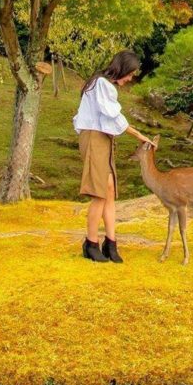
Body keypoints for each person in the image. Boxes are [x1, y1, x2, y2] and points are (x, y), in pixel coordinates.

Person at [73, 50, 152, 263]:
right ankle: (91, 244)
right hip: (94, 138)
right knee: (100, 193)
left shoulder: (104, 85)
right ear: (123, 69)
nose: (130, 79)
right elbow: (113, 116)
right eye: (130, 74)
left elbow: (111, 119)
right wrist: (139, 135)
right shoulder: (101, 84)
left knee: (108, 190)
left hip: (103, 138)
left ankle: (111, 242)